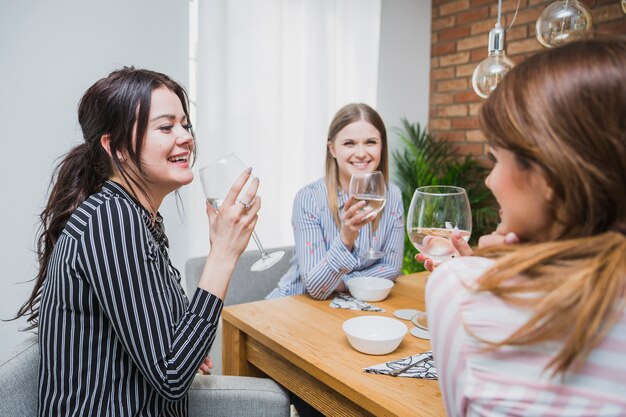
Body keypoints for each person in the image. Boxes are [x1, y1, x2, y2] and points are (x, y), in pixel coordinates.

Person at [14, 67, 262, 416]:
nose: (186, 137)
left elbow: (167, 348)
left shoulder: (135, 216)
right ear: (115, 146)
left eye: (185, 124)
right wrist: (222, 254)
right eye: (166, 127)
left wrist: (187, 344)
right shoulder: (110, 220)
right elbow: (172, 375)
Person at [426, 38, 626, 416]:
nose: (489, 181)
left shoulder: (462, 291)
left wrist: (482, 272)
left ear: (549, 175)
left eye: (495, 159)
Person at [266, 103, 404, 300]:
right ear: (332, 149)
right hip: (294, 304)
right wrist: (346, 239)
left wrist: (343, 283)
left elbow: (391, 268)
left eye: (371, 142)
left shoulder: (393, 196)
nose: (361, 153)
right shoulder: (309, 198)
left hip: (348, 305)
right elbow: (315, 288)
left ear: (382, 145)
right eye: (349, 143)